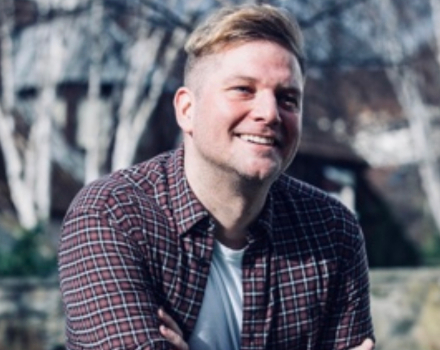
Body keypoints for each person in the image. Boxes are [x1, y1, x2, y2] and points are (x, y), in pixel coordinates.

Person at [58, 4, 375, 350]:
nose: (269, 113)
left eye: (288, 99)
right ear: (186, 110)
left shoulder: (331, 231)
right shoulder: (112, 215)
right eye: (243, 89)